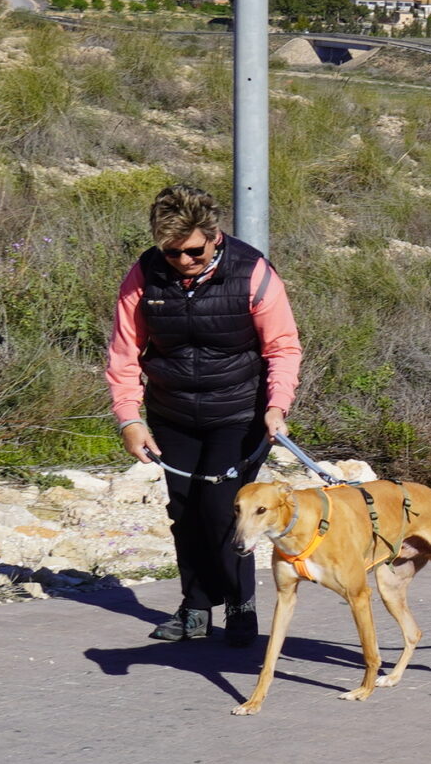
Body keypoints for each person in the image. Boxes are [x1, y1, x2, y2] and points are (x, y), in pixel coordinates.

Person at [104, 183, 302, 646]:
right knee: (184, 510)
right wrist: (130, 418)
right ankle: (195, 608)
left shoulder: (252, 272)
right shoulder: (144, 275)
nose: (183, 261)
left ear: (214, 237)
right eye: (171, 253)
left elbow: (282, 347)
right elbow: (124, 354)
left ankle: (239, 604)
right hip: (172, 411)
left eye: (193, 251)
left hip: (239, 412)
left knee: (222, 510)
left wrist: (276, 407)